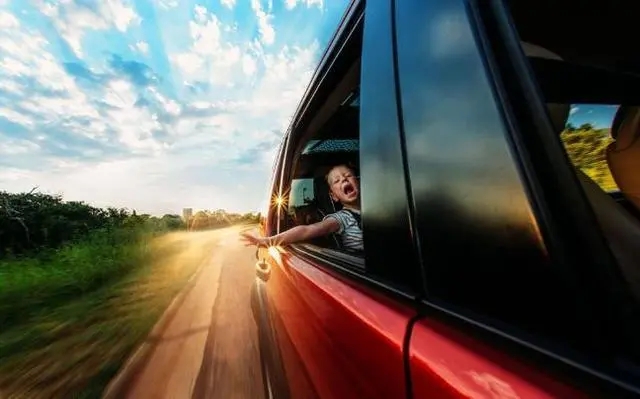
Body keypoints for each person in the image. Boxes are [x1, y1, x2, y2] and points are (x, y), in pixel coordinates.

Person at [240, 164, 364, 252]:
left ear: (359, 182)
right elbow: (306, 230)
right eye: (337, 181)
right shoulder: (341, 218)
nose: (343, 179)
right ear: (334, 196)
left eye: (348, 175)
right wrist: (267, 241)